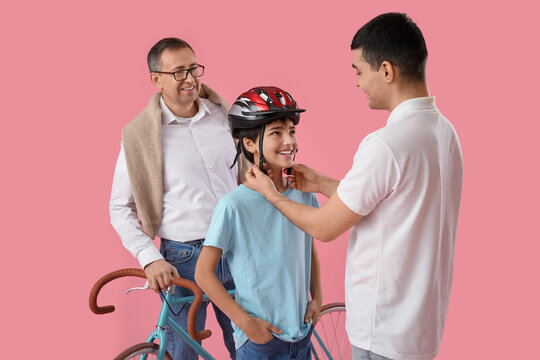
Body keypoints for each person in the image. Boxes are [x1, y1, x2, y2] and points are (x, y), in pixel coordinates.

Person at [244, 13, 463, 360]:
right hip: (422, 326)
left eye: (359, 70)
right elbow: (393, 202)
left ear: (387, 71)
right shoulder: (444, 132)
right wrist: (322, 183)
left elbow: (324, 227)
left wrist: (270, 194)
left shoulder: (385, 144)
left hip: (383, 330)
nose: (357, 82)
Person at [109, 37, 243, 359]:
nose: (190, 79)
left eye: (194, 68)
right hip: (183, 260)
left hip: (239, 249)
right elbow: (119, 207)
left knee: (250, 347)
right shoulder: (139, 137)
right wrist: (149, 258)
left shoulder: (227, 117)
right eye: (179, 72)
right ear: (156, 79)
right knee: (181, 352)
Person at [195, 86, 323, 360]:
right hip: (260, 341)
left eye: (292, 130)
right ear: (250, 144)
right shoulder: (233, 206)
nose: (289, 140)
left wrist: (318, 297)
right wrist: (245, 323)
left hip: (301, 332)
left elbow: (309, 243)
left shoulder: (303, 192)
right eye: (276, 132)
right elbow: (204, 273)